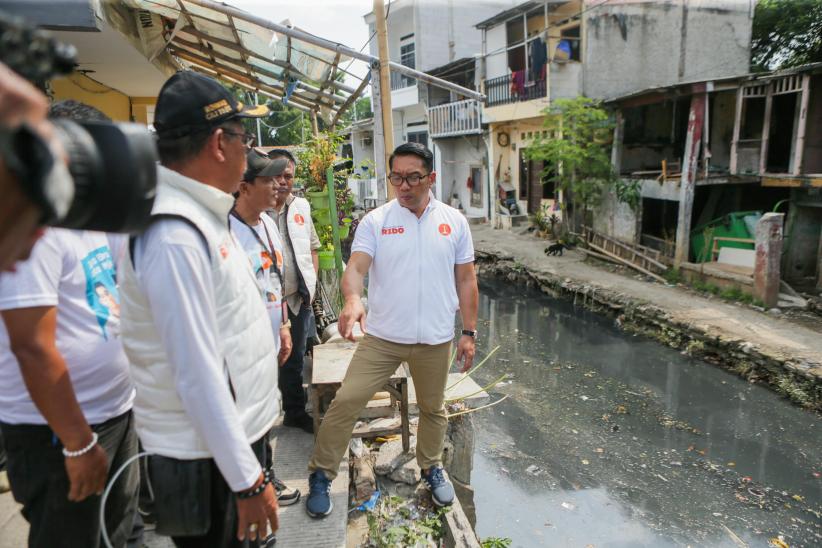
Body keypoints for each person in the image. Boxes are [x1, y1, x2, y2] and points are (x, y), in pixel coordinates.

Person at [118, 71, 279, 547]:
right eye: (244, 139)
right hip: (207, 462)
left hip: (226, 449)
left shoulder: (200, 216)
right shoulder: (174, 235)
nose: (248, 154)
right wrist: (247, 480)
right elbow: (196, 373)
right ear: (218, 142)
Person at [304, 142, 479, 518]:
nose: (404, 185)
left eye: (413, 177)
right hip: (382, 339)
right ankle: (321, 474)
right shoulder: (377, 221)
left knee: (434, 409)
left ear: (431, 178)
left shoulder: (454, 221)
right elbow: (356, 267)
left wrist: (469, 332)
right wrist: (353, 299)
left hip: (434, 339)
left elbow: (466, 280)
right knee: (346, 401)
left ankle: (431, 466)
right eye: (397, 177)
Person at [0, 102, 139, 547]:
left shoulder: (91, 215)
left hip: (114, 414)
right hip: (58, 433)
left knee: (117, 534)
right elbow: (32, 347)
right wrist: (77, 443)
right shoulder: (34, 224)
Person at [228, 148, 300, 507]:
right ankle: (255, 485)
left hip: (270, 341)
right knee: (246, 421)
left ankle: (265, 476)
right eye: (268, 180)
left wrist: (284, 325)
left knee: (266, 414)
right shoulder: (225, 232)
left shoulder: (269, 223)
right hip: (240, 350)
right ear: (243, 187)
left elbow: (275, 279)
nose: (278, 186)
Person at [268, 148, 320, 434]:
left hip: (296, 298)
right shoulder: (255, 209)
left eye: (288, 175)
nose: (283, 181)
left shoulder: (301, 207)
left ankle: (294, 412)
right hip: (266, 301)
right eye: (277, 175)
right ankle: (264, 414)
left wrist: (309, 286)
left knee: (295, 357)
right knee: (267, 355)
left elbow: (312, 247)